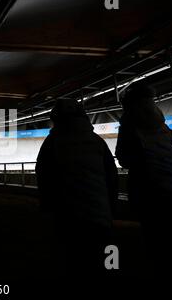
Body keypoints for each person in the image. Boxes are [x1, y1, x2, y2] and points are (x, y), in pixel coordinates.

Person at [35, 98, 118, 276]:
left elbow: (43, 176)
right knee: (108, 259)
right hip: (100, 214)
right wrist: (110, 206)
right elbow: (111, 176)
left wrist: (47, 206)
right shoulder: (97, 141)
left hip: (68, 216)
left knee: (74, 261)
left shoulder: (52, 142)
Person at [115, 85, 172, 275]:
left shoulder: (129, 127)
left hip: (147, 191)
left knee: (155, 238)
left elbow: (123, 158)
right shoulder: (164, 127)